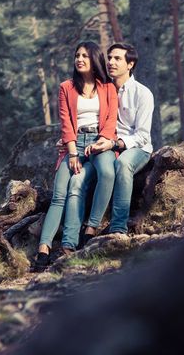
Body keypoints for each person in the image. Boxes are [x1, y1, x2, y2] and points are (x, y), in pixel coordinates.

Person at [35, 41, 118, 271]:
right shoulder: (66, 87)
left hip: (99, 143)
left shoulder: (108, 88)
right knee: (60, 193)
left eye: (85, 56)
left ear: (94, 60)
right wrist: (72, 153)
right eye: (77, 55)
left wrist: (103, 141)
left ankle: (90, 229)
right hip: (73, 145)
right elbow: (66, 123)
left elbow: (111, 119)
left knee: (107, 173)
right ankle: (45, 249)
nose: (79, 59)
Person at [82, 43, 154, 241]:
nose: (111, 62)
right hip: (106, 144)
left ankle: (118, 228)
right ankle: (81, 230)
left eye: (117, 59)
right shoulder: (102, 90)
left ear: (130, 64)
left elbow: (143, 135)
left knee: (122, 164)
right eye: (110, 58)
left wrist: (115, 144)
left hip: (136, 148)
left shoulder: (143, 94)